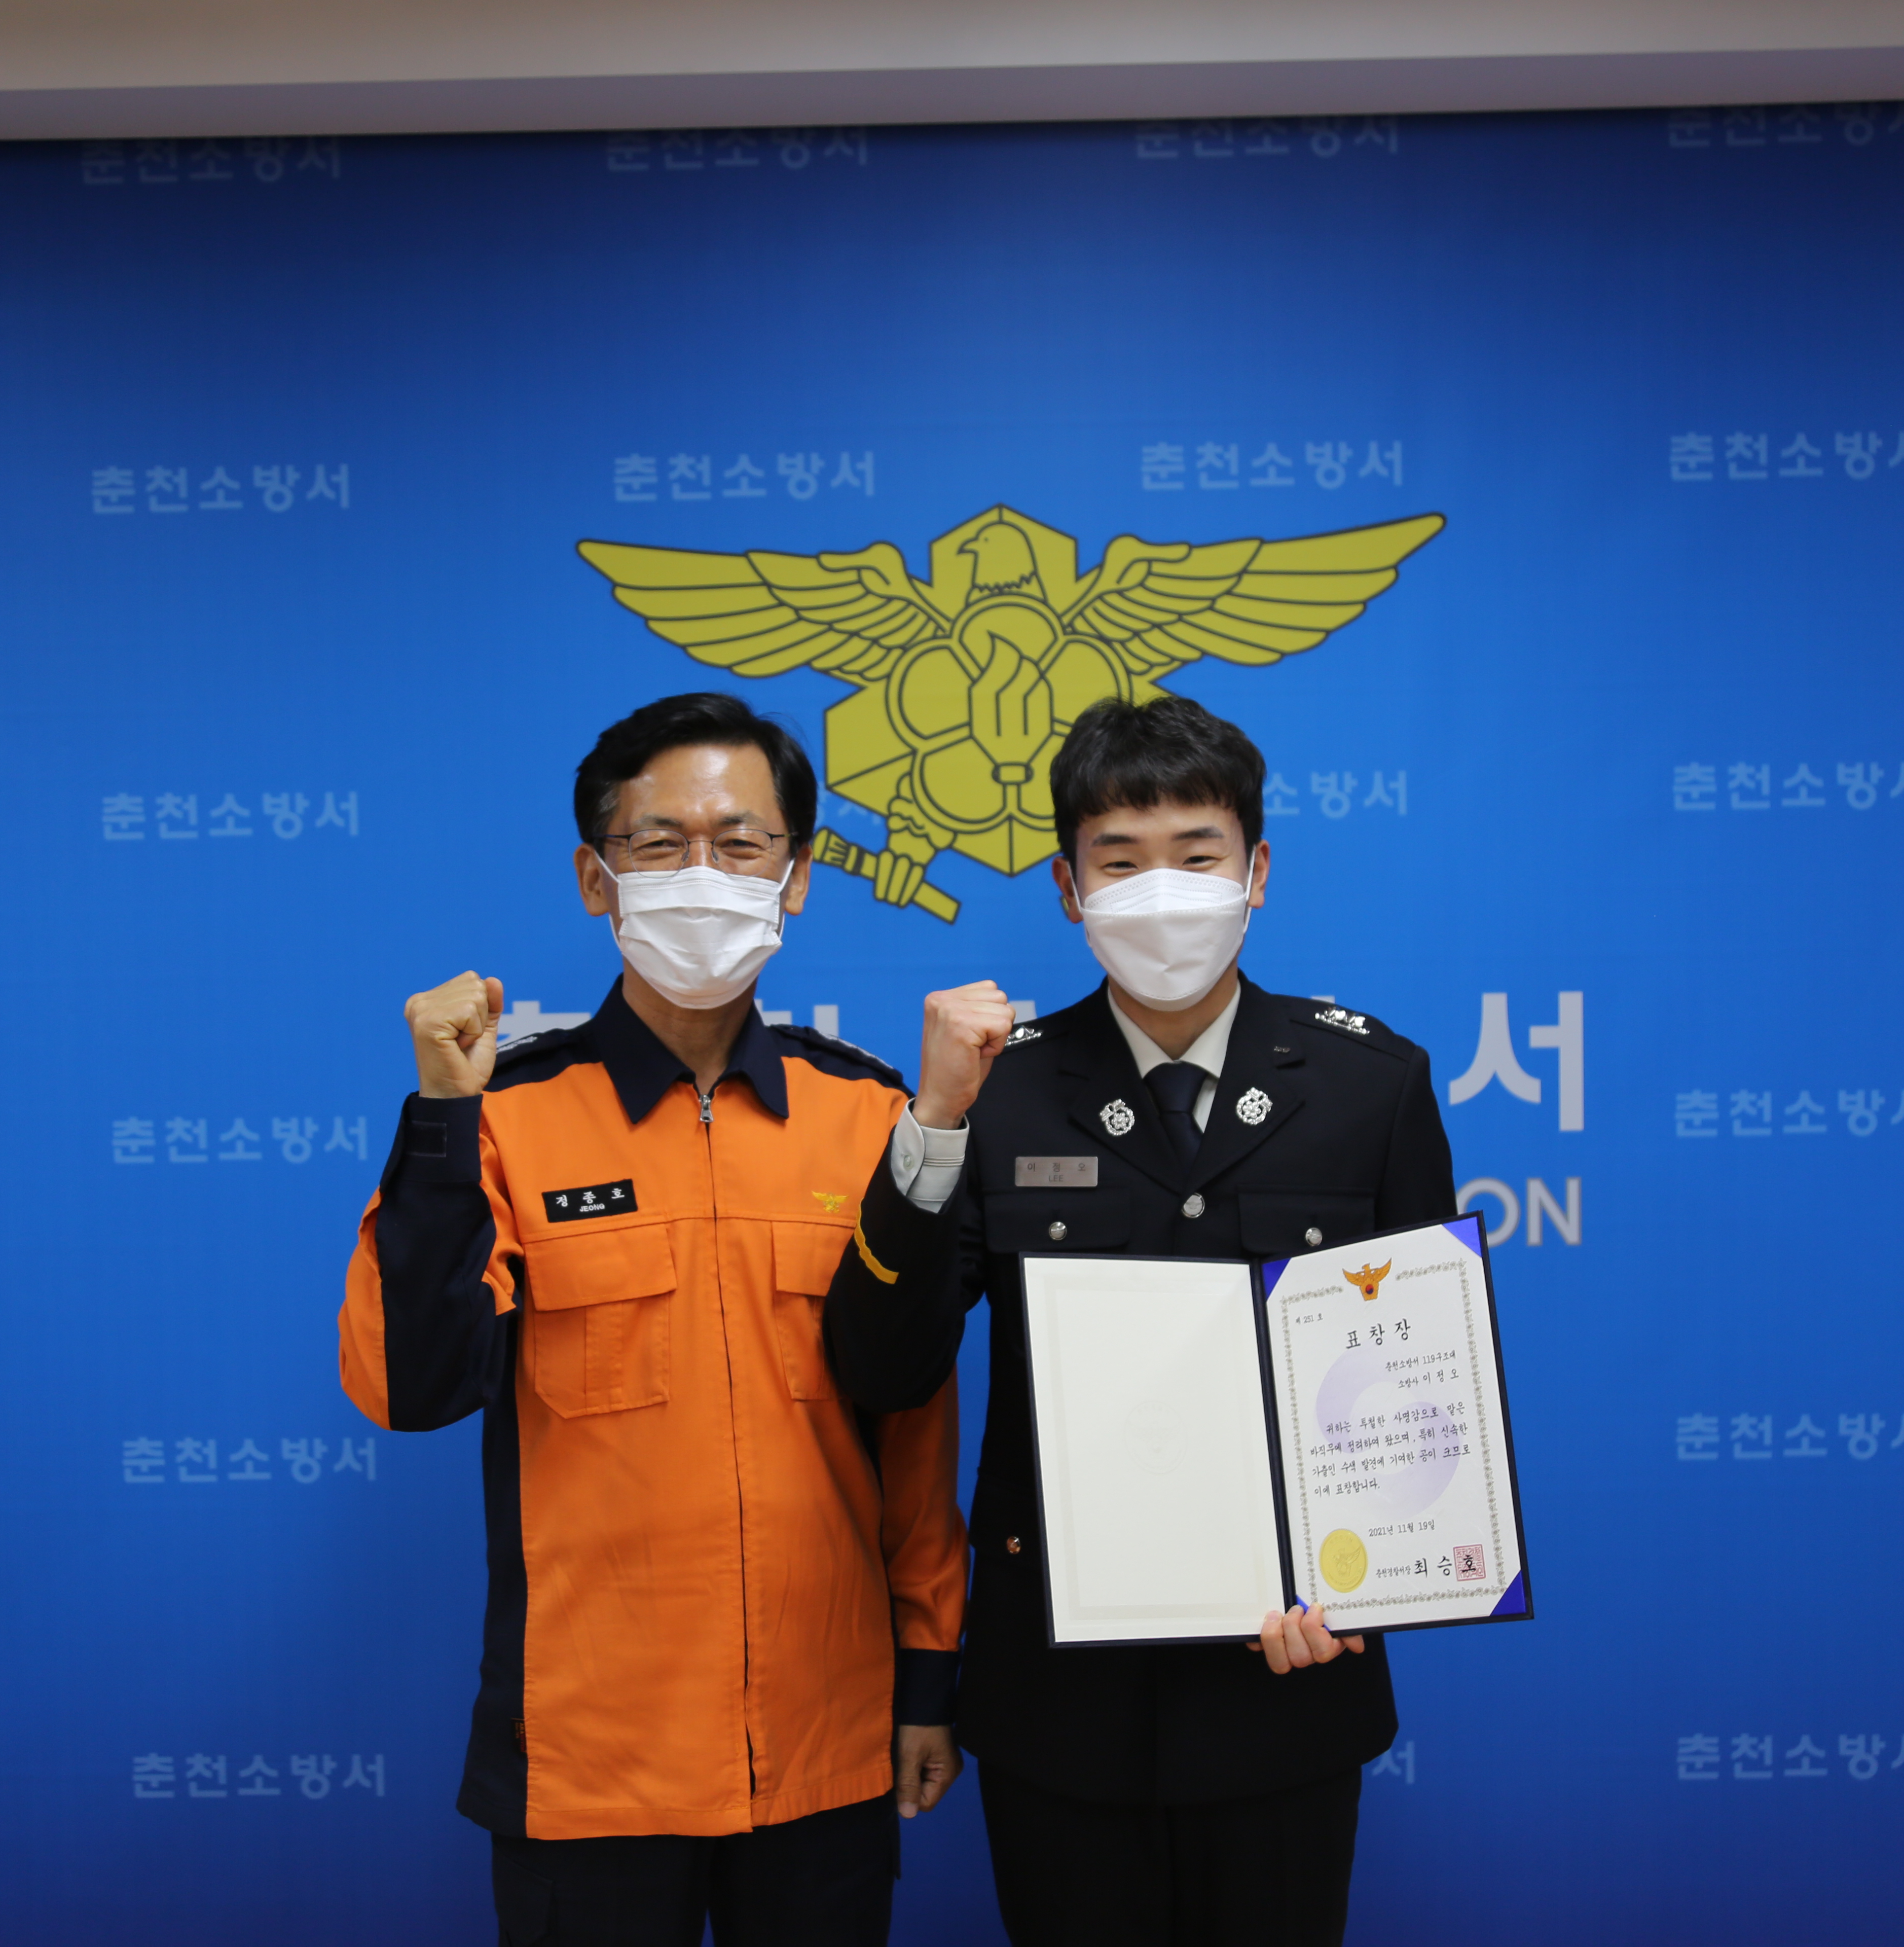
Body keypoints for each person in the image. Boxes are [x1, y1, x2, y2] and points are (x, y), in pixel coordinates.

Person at [823, 694, 1458, 1946]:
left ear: (1257, 873)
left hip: (1289, 1677)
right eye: (1120, 861)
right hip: (1064, 1694)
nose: (1162, 892)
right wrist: (932, 1125)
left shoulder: (1369, 1086)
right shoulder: (999, 1093)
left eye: (1197, 855)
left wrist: (1362, 1584)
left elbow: (1416, 1386)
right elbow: (883, 1365)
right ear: (1068, 888)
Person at [339, 692, 967, 1947]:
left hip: (824, 1742)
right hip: (590, 1760)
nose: (703, 876)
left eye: (741, 845)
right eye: (660, 844)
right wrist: (443, 1120)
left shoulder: (871, 1118)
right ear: (597, 878)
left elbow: (914, 1428)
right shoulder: (503, 1115)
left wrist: (929, 1674)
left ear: (796, 879)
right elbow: (412, 1388)